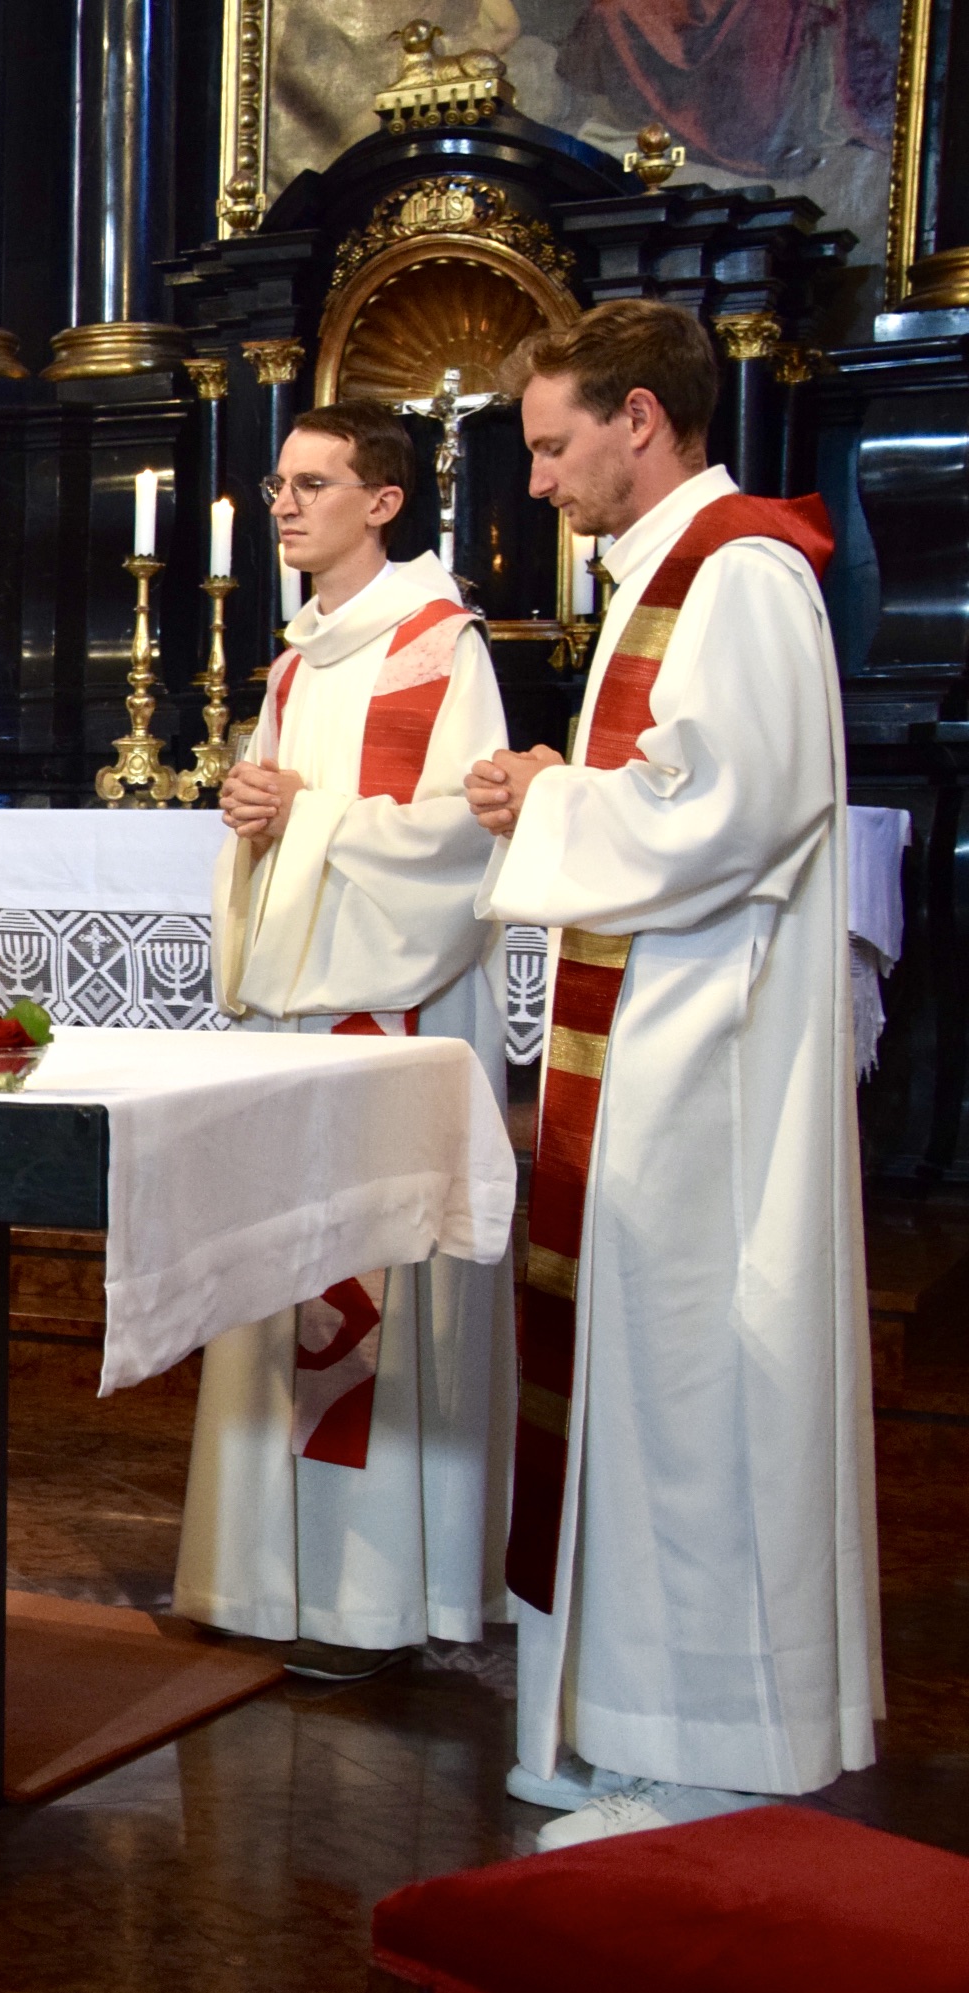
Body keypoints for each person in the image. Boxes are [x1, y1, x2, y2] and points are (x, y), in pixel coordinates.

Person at [466, 299, 878, 1849]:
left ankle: (712, 1761)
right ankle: (619, 1729)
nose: (539, 482)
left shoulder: (743, 573)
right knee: (642, 1395)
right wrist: (562, 791)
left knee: (702, 1397)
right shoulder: (669, 574)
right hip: (655, 1050)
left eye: (552, 445)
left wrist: (555, 796)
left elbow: (732, 808)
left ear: (640, 416)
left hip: (713, 1070)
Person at [175, 401, 513, 1685]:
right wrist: (255, 810)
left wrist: (301, 815)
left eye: (312, 483)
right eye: (277, 482)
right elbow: (284, 820)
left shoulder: (437, 646)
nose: (283, 502)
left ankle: (369, 1600)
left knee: (369, 1287)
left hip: (386, 1006)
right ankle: (264, 1581)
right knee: (281, 1277)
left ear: (382, 501)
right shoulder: (295, 663)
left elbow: (460, 837)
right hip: (302, 1011)